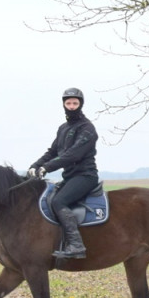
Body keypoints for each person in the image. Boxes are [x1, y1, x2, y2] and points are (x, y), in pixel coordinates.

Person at [28, 87, 99, 259]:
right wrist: (35, 166)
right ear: (64, 105)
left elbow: (73, 154)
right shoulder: (63, 128)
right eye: (69, 103)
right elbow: (53, 152)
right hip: (69, 177)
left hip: (85, 176)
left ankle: (76, 245)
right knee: (47, 198)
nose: (72, 106)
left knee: (59, 201)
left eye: (75, 103)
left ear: (81, 104)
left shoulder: (87, 128)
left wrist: (47, 168)